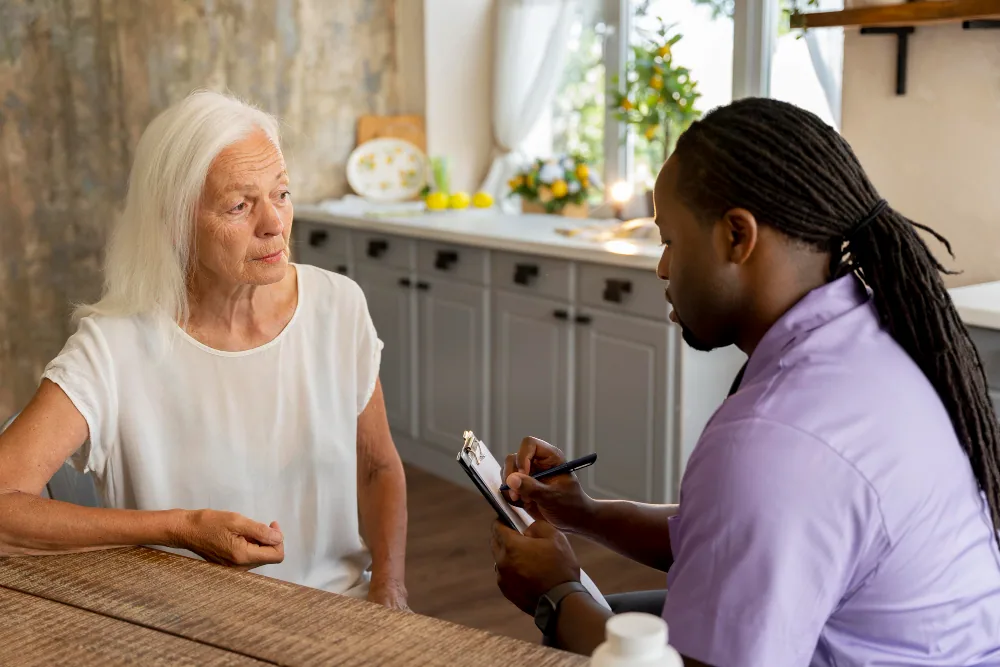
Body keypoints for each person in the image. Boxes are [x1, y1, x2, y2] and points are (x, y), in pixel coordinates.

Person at [490, 98, 1000, 665]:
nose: (661, 268)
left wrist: (555, 594)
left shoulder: (776, 436)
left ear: (737, 236)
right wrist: (580, 513)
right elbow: (726, 535)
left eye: (670, 241)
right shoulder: (876, 332)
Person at [0, 91, 409, 609]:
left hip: (336, 612)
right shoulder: (113, 346)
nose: (273, 223)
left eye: (280, 193)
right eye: (240, 205)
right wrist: (181, 528)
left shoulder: (339, 305)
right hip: (180, 631)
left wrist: (389, 586)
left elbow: (378, 467)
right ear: (176, 223)